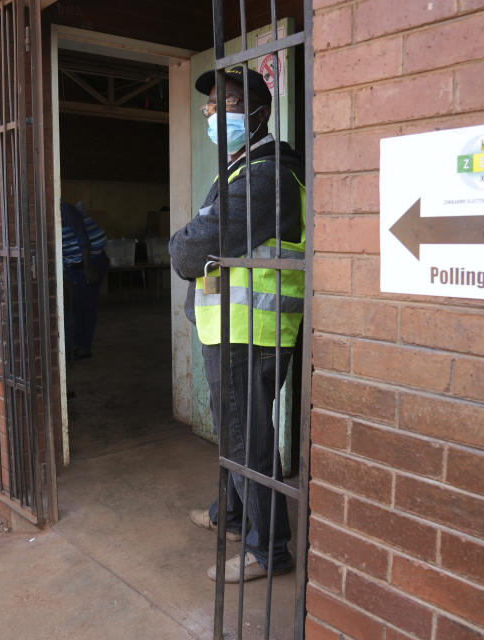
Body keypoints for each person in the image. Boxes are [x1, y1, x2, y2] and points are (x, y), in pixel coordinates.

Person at [169, 66, 305, 583]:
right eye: (210, 108)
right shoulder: (242, 169)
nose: (214, 115)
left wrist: (186, 239)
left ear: (258, 114)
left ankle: (269, 549)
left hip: (252, 332)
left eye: (226, 105)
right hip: (234, 329)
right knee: (236, 426)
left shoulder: (266, 175)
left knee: (246, 435)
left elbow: (188, 251)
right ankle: (228, 516)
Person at [61, 201, 108, 360]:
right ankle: (78, 344)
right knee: (76, 306)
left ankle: (84, 347)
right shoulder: (46, 214)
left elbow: (83, 238)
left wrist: (88, 268)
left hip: (91, 261)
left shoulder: (64, 209)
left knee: (86, 305)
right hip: (74, 265)